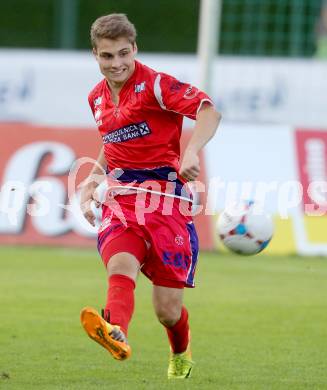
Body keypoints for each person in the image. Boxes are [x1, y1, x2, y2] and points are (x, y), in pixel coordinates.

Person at [80, 13, 221, 379]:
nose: (117, 64)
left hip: (167, 202)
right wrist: (94, 178)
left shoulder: (157, 85)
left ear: (135, 49)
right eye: (107, 56)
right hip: (124, 197)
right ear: (95, 55)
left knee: (167, 311)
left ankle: (180, 351)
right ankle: (116, 332)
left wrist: (191, 152)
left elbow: (208, 112)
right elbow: (112, 141)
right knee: (120, 266)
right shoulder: (96, 97)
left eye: (123, 54)